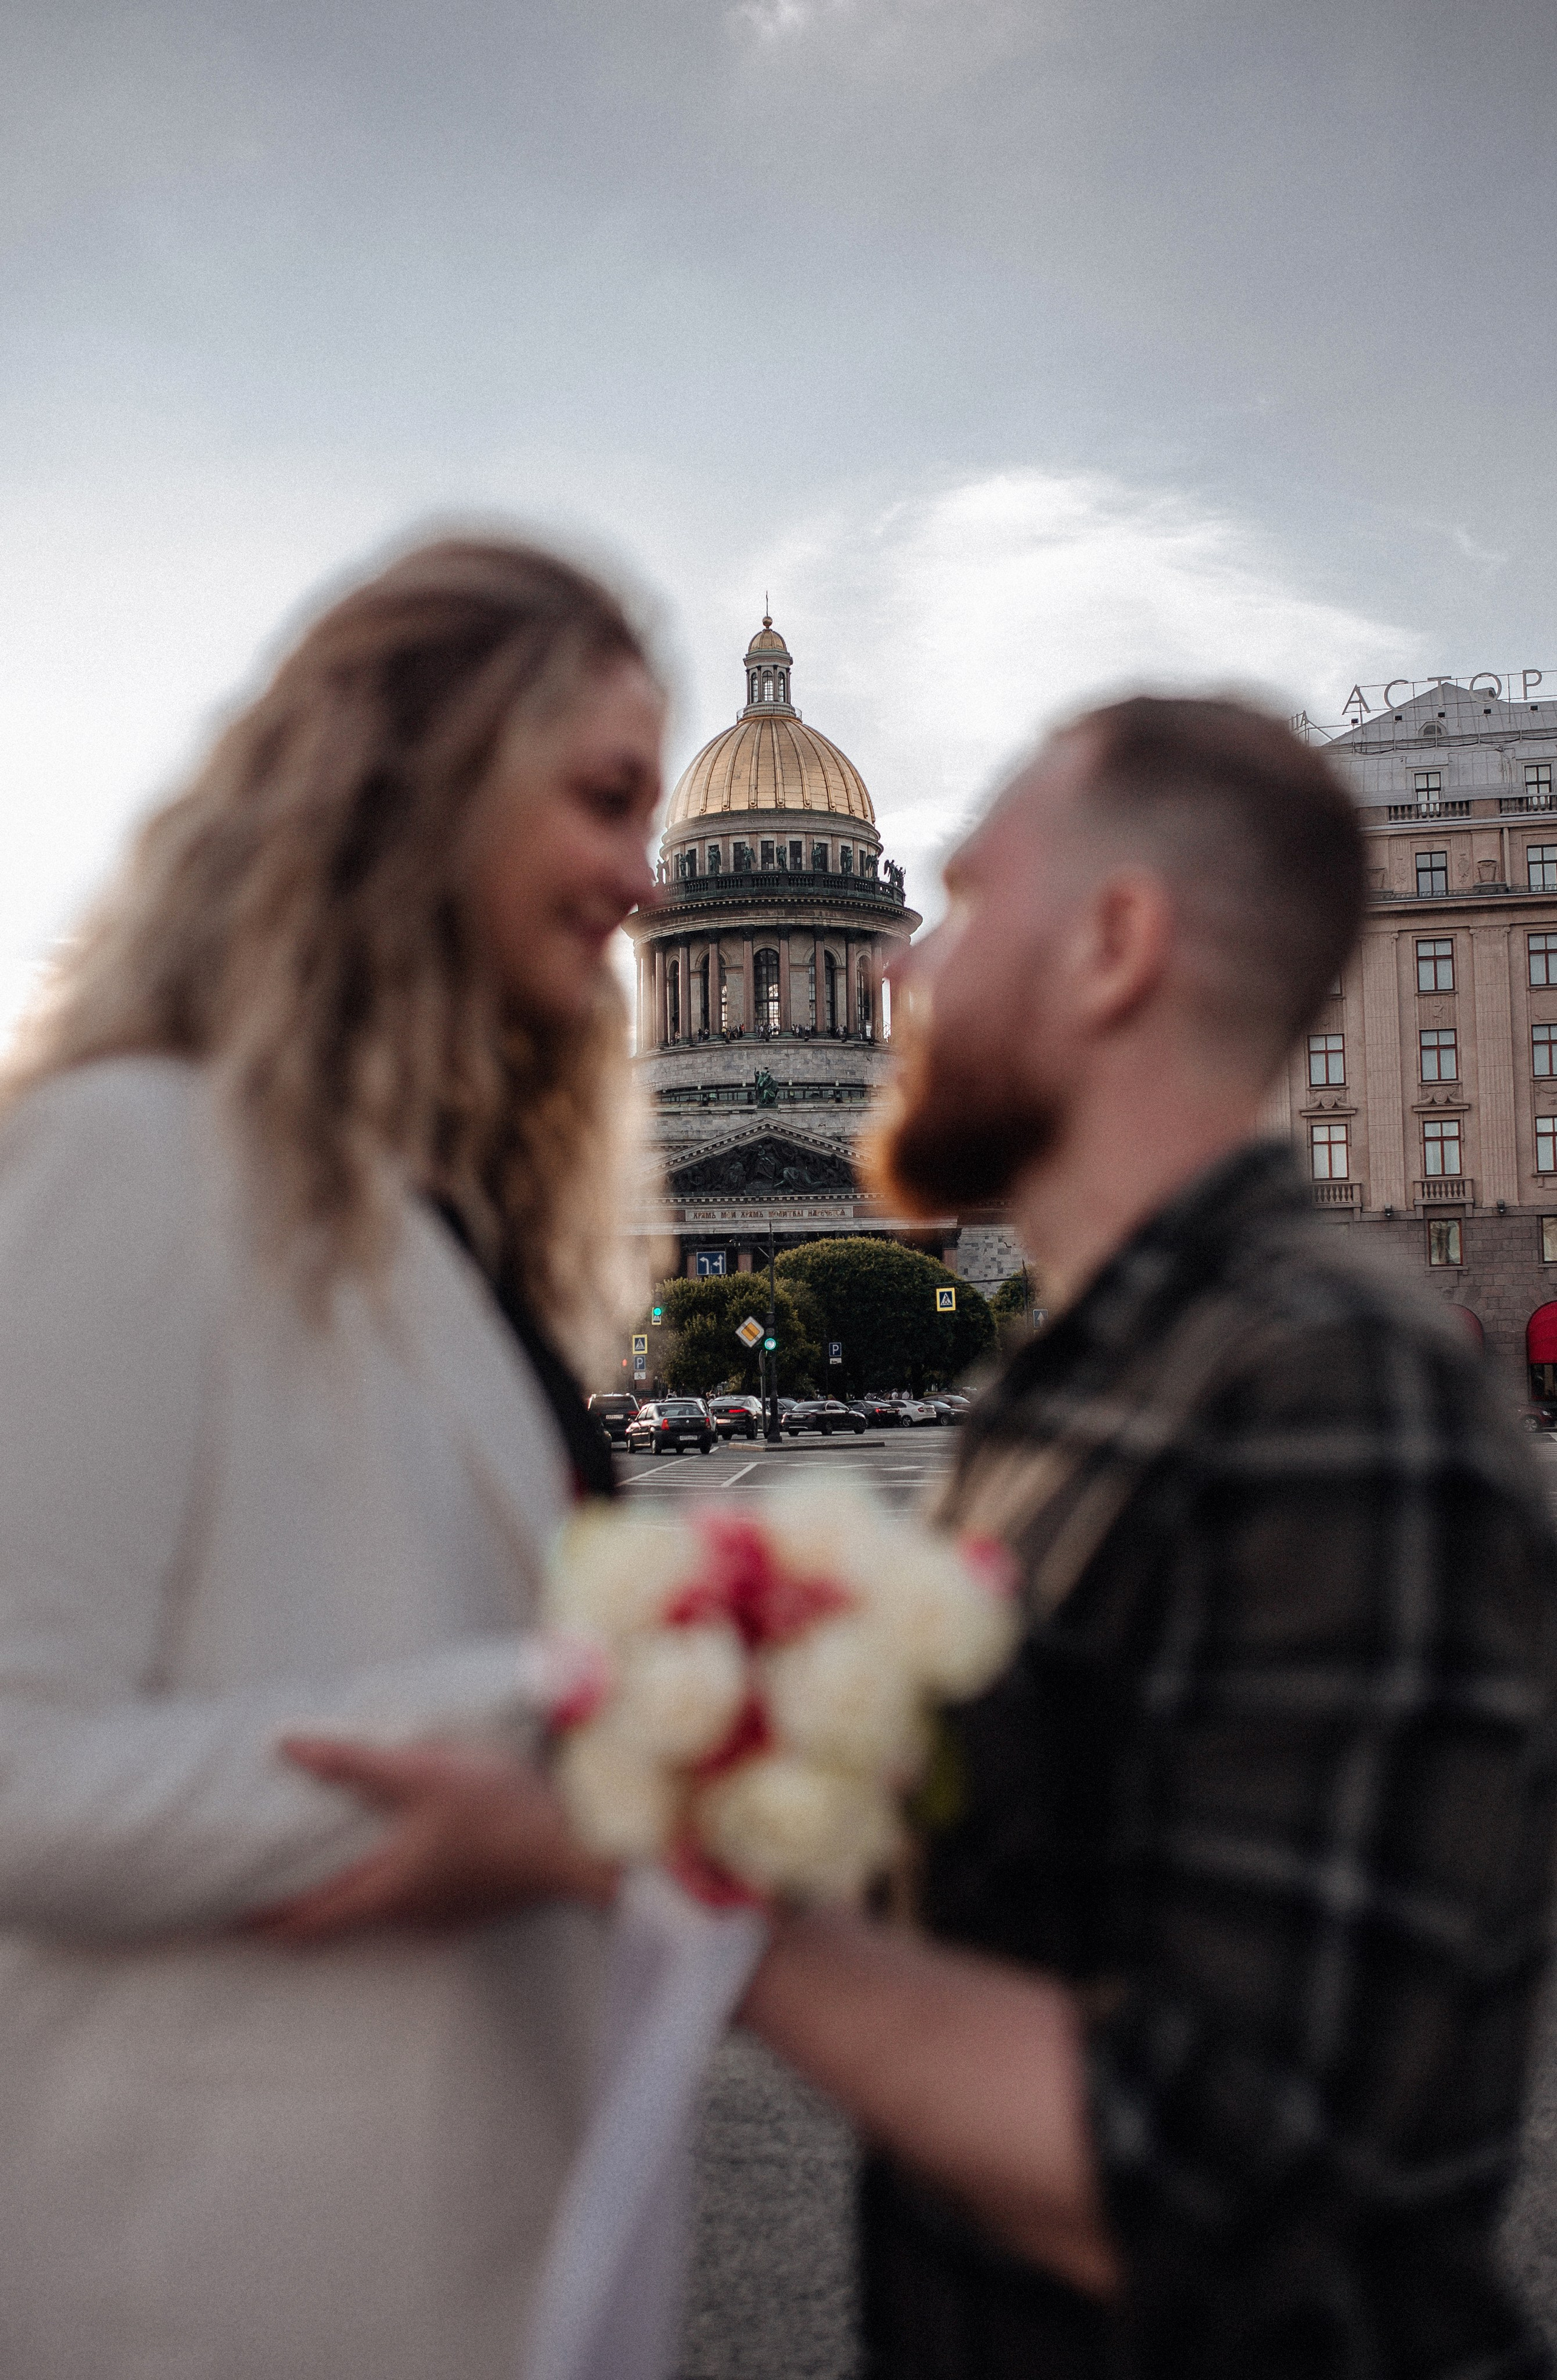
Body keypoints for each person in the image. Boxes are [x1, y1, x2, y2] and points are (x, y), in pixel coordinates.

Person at [732, 697, 1557, 2377]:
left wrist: (655, 1874)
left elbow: (1220, 2172)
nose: (896, 974)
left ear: (1115, 943)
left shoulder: (1334, 1387)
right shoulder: (1084, 1384)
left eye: (958, 903)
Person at [0, 536, 661, 2379]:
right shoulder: (129, 1151)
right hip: (211, 2285)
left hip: (480, 2260)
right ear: (427, 774)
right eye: (604, 797)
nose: (647, 874)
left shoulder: (437, 1216)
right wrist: (572, 1708)